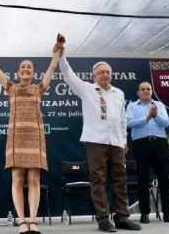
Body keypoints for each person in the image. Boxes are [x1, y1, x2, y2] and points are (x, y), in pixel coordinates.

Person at [0, 34, 63, 234]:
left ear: (33, 73)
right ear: (18, 72)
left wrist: (57, 52)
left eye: (30, 67)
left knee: (35, 180)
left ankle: (33, 221)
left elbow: (52, 69)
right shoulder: (11, 88)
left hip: (35, 138)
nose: (26, 69)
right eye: (23, 67)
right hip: (16, 138)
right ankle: (21, 222)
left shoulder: (39, 89)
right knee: (17, 180)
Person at [57, 40, 141, 232]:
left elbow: (121, 120)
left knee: (120, 180)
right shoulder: (87, 89)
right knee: (99, 180)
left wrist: (124, 141)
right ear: (93, 75)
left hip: (117, 142)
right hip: (96, 142)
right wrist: (62, 55)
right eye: (101, 72)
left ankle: (122, 218)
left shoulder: (118, 93)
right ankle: (103, 219)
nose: (105, 75)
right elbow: (68, 75)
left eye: (107, 72)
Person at [126, 81, 169, 224]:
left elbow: (166, 123)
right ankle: (144, 213)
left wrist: (155, 116)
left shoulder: (159, 105)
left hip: (160, 144)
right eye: (143, 89)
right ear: (138, 92)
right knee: (142, 180)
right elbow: (129, 123)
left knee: (164, 179)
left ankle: (167, 213)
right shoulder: (131, 106)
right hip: (141, 144)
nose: (146, 91)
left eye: (148, 89)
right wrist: (146, 118)